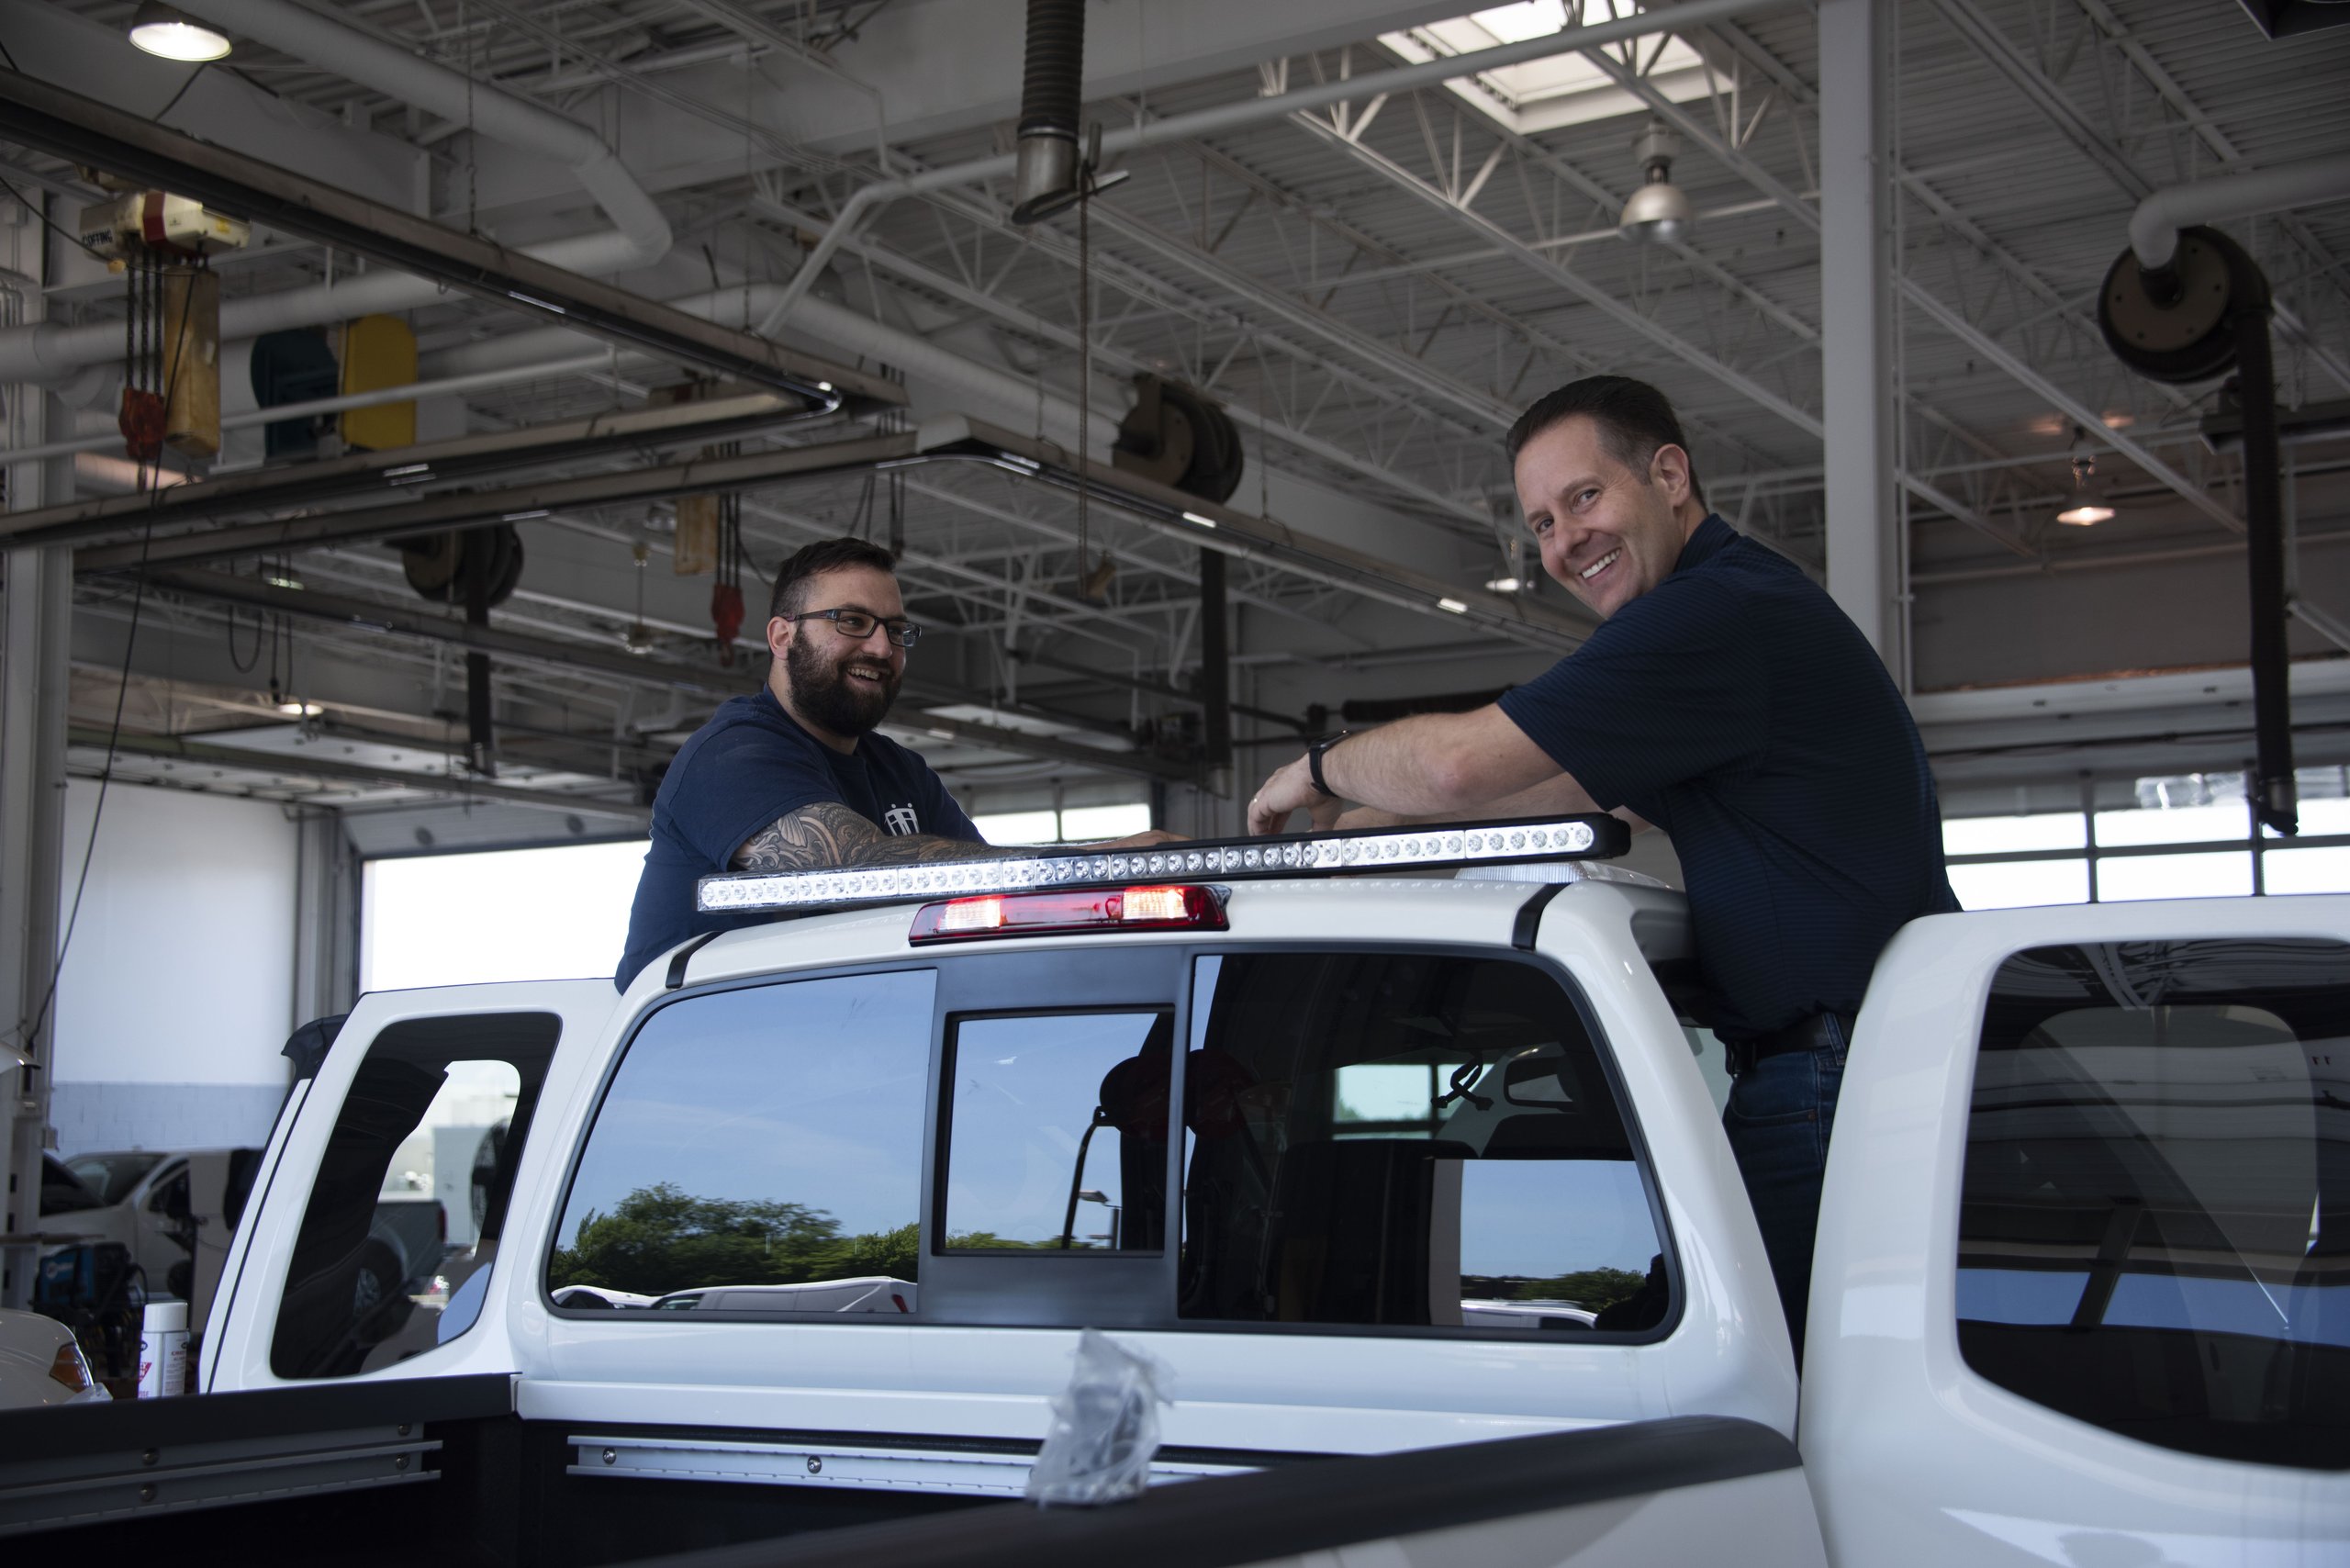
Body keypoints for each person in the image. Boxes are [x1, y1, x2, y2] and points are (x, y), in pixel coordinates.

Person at [1245, 375, 1956, 1358]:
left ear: (1668, 475)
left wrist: (1318, 765)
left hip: (1830, 1075)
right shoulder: (1734, 618)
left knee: (1763, 1397)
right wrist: (1355, 829)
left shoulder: (1711, 613)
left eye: (1583, 498)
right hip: (1853, 1063)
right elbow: (1572, 790)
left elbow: (1460, 765)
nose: (1563, 542)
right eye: (1540, 522)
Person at [618, 537, 1177, 989]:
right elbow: (852, 868)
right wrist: (1106, 861)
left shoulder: (900, 771)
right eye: (853, 622)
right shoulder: (733, 753)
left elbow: (984, 892)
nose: (883, 648)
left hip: (843, 1062)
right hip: (691, 1077)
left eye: (896, 630)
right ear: (783, 636)